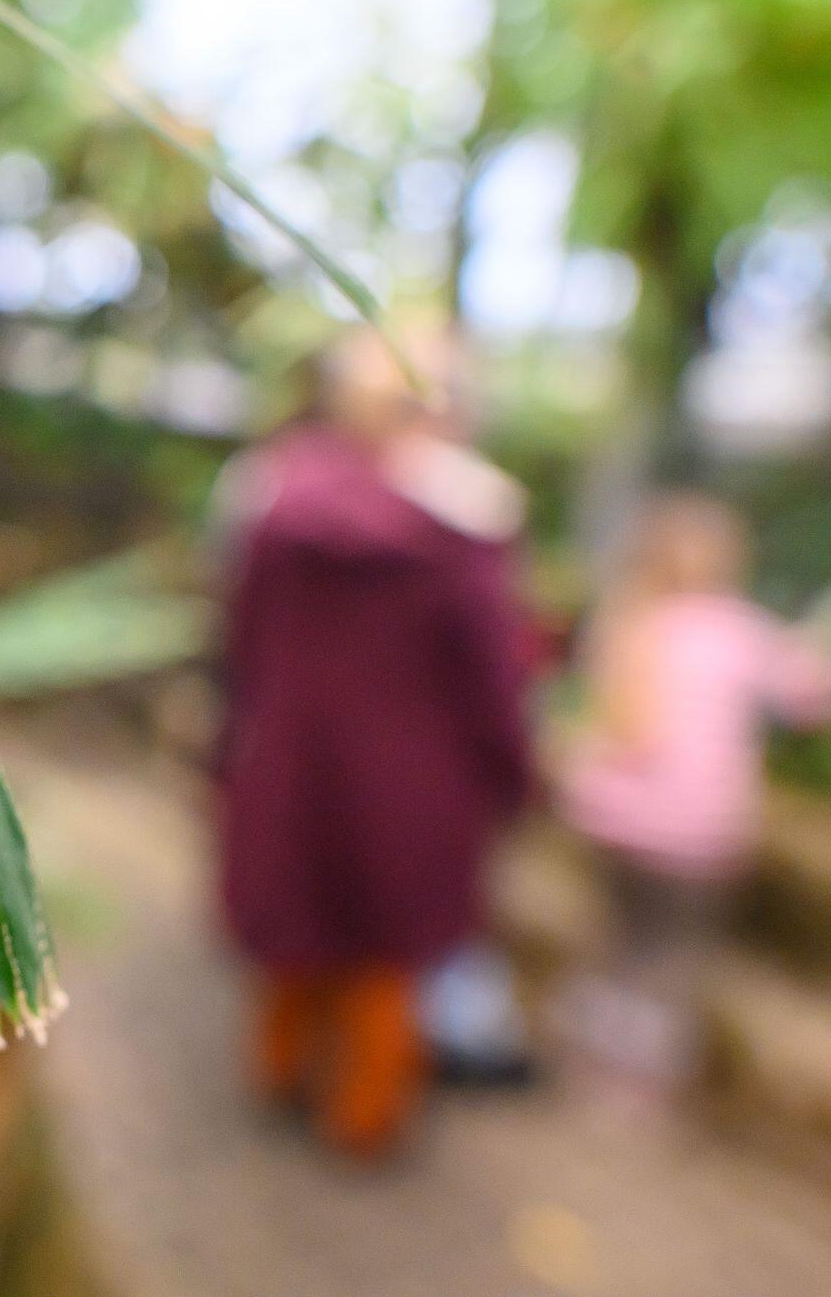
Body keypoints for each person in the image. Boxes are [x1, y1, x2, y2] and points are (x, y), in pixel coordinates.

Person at [212, 325, 536, 1158]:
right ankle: (364, 1116)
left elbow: (241, 642)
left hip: (292, 764)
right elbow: (494, 674)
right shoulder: (467, 523)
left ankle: (280, 1070)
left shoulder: (269, 497)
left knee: (299, 925)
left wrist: (237, 745)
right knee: (386, 953)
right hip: (417, 781)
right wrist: (514, 771)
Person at [556, 493, 831, 1104]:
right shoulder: (737, 630)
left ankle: (590, 1057)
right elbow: (814, 698)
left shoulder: (626, 620)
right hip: (695, 835)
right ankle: (638, 1081)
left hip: (612, 821)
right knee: (673, 958)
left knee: (618, 940)